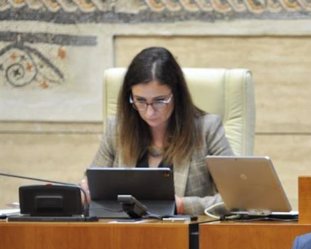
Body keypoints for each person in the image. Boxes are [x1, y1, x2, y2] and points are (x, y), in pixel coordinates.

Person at [81, 46, 233, 215]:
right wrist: (84, 192)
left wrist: (182, 205)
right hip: (124, 234)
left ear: (176, 94)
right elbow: (91, 185)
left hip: (184, 235)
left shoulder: (207, 130)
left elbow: (238, 198)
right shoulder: (116, 129)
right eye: (140, 100)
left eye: (160, 101)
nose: (149, 112)